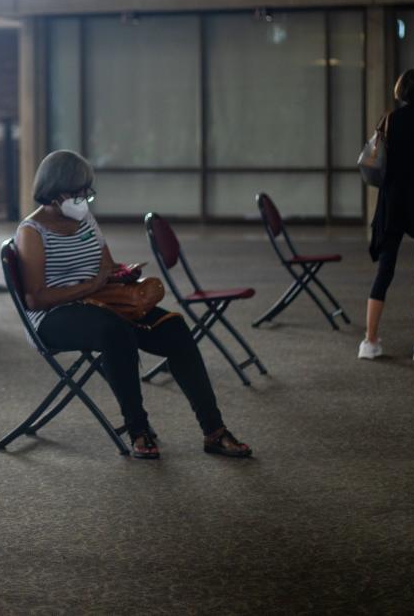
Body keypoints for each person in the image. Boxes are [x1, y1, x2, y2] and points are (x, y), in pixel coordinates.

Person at [14, 150, 251, 460]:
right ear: (55, 190)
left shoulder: (84, 218)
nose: (84, 198)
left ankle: (214, 431)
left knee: (176, 329)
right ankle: (138, 428)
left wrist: (122, 274)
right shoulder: (32, 232)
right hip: (52, 316)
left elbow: (106, 266)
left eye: (88, 191)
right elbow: (35, 297)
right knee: (116, 333)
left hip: (99, 301)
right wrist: (91, 286)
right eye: (78, 191)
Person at [360, 69, 414, 362]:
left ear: (400, 90)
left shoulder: (389, 120)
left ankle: (369, 342)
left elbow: (379, 164)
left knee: (384, 271)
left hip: (393, 202)